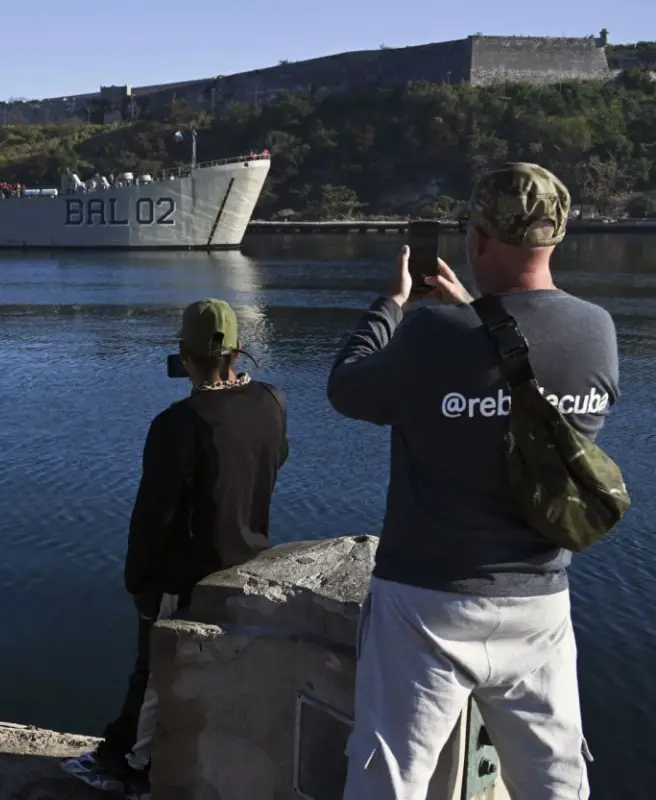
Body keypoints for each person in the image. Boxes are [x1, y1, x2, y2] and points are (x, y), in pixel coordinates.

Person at [328, 163, 617, 799]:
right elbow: (517, 372)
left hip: (426, 603)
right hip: (539, 601)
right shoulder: (596, 330)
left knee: (390, 782)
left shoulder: (432, 333)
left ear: (478, 238)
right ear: (556, 237)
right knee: (555, 785)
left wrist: (392, 304)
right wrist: (474, 312)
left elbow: (346, 387)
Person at [64, 298, 290, 798]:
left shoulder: (176, 423)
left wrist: (138, 583)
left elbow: (153, 518)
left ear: (184, 354)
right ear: (238, 351)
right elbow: (273, 461)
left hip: (185, 578)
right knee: (218, 677)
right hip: (247, 565)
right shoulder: (272, 402)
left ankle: (129, 767)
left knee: (154, 673)